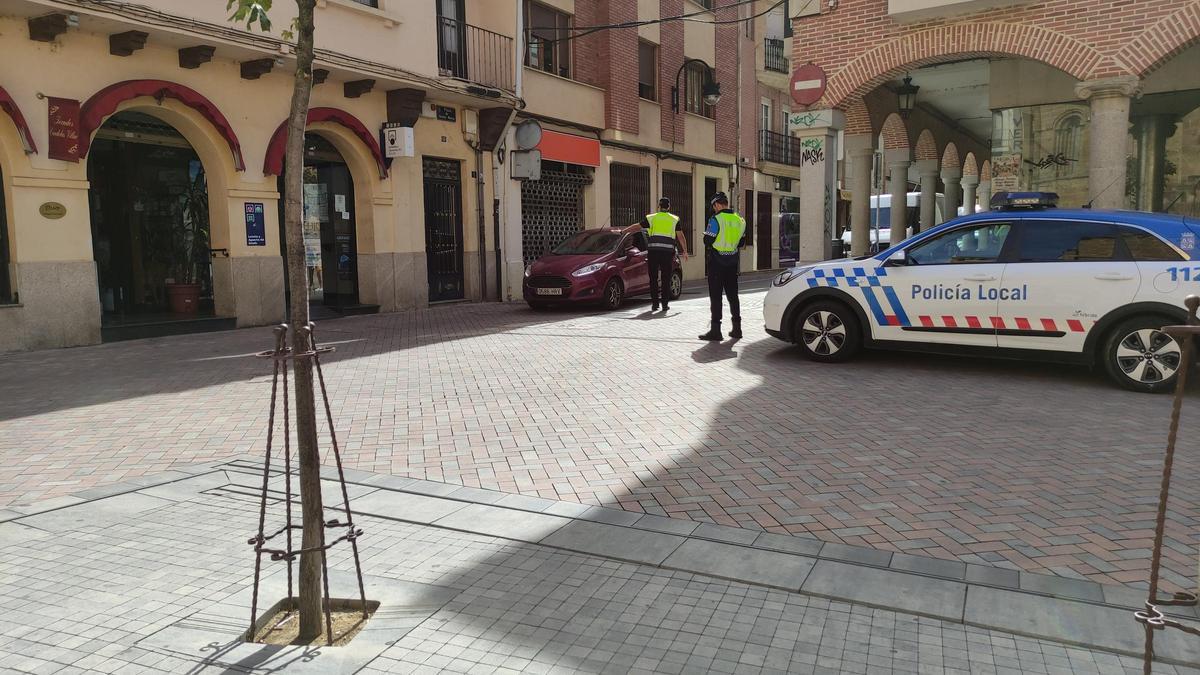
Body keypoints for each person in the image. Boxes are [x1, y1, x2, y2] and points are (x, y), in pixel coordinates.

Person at [699, 192, 745, 341]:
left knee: (716, 297)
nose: (714, 209)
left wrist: (706, 235)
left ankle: (716, 330)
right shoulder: (740, 220)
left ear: (717, 204)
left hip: (717, 264)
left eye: (714, 207)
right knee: (733, 296)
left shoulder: (715, 219)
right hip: (732, 263)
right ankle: (737, 328)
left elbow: (707, 240)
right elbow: (742, 243)